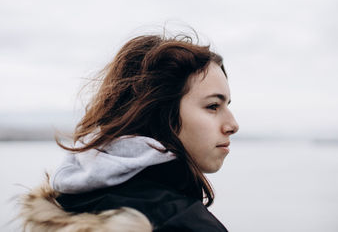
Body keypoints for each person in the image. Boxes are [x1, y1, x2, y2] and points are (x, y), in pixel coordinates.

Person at [18, 33, 239, 231]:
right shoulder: (182, 223)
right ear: (158, 113)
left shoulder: (68, 202)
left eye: (227, 105)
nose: (233, 125)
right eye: (213, 106)